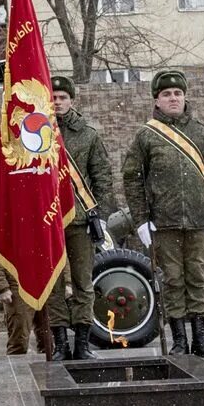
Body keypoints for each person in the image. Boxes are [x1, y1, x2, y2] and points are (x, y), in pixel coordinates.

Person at [123, 69, 204, 358]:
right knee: (172, 279)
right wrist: (141, 219)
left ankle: (201, 338)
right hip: (164, 221)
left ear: (185, 97)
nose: (173, 98)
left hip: (198, 220)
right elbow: (132, 178)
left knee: (197, 276)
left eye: (178, 93)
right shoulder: (146, 136)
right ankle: (179, 339)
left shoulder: (203, 133)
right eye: (167, 94)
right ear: (156, 100)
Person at [53, 76, 118, 360]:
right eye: (53, 97)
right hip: (49, 221)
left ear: (72, 100)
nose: (57, 102)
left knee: (82, 282)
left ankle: (81, 343)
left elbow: (102, 177)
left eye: (62, 97)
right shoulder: (35, 133)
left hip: (80, 219)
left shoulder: (88, 134)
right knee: (53, 284)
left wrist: (99, 214)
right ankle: (59, 344)